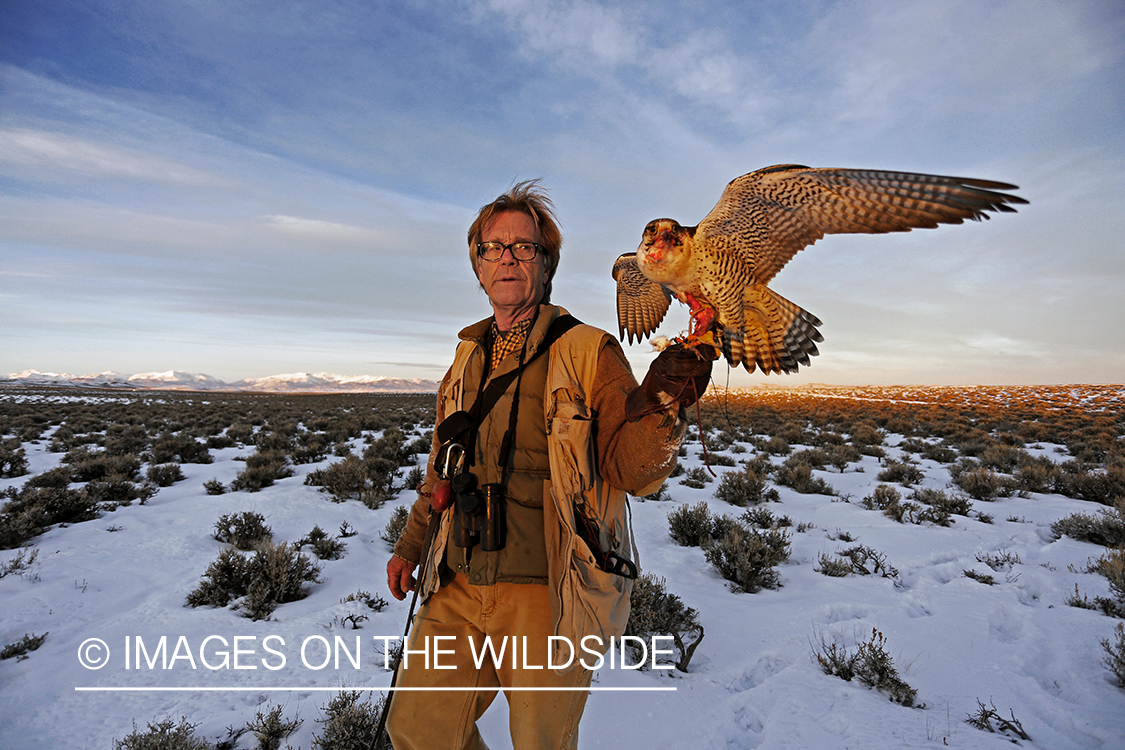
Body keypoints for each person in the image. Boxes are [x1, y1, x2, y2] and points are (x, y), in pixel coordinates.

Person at [385, 181, 713, 750]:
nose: (507, 257)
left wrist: (663, 404)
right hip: (457, 583)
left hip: (550, 595)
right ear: (478, 267)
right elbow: (442, 465)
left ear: (546, 262)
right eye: (493, 247)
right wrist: (411, 547)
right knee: (416, 731)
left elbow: (636, 473)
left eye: (524, 247)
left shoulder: (589, 351)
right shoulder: (467, 357)